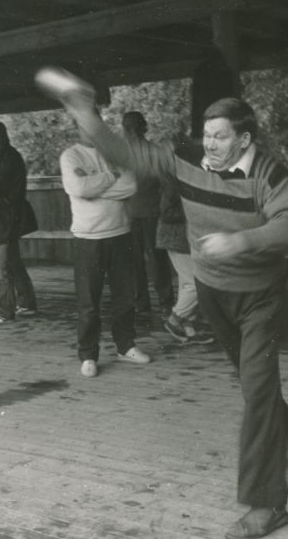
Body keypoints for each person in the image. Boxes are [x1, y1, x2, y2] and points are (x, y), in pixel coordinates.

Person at [37, 66, 288, 539]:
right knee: (251, 379)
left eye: (220, 138)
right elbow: (127, 153)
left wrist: (241, 242)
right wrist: (86, 115)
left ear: (244, 140)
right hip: (211, 289)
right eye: (206, 135)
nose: (210, 146)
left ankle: (266, 505)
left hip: (260, 296)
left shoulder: (271, 171)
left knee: (257, 389)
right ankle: (282, 427)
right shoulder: (185, 157)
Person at [59, 120, 151, 377]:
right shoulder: (71, 155)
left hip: (121, 233)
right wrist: (112, 177)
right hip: (88, 237)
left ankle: (126, 346)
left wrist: (94, 188)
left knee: (124, 296)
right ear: (77, 128)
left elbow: (131, 186)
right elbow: (78, 188)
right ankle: (88, 355)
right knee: (89, 301)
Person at [0, 121, 38, 326]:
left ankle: (5, 311)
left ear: (4, 135)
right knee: (13, 261)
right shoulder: (3, 156)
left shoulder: (8, 157)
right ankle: (27, 302)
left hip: (7, 214)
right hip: (5, 213)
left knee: (1, 266)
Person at [122, 112, 174, 315]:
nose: (128, 131)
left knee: (152, 259)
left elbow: (168, 185)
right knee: (142, 260)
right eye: (127, 126)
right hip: (134, 215)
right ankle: (150, 303)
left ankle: (159, 302)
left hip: (148, 213)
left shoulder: (153, 152)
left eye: (129, 127)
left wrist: (163, 208)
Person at [156, 179, 214, 345]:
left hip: (186, 239)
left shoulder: (183, 178)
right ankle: (175, 319)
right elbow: (167, 212)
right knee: (195, 283)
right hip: (176, 238)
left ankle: (189, 328)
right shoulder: (173, 181)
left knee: (185, 283)